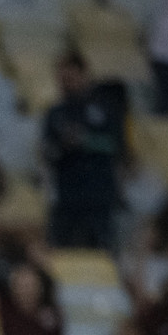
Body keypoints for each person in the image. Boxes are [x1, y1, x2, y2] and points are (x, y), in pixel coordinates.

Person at [41, 53, 128, 250]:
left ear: (83, 75)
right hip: (67, 195)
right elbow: (48, 152)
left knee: (102, 249)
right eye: (62, 80)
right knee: (62, 250)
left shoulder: (106, 108)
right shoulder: (56, 113)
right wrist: (63, 145)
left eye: (70, 78)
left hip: (99, 194)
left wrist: (85, 141)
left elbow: (116, 146)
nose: (66, 84)